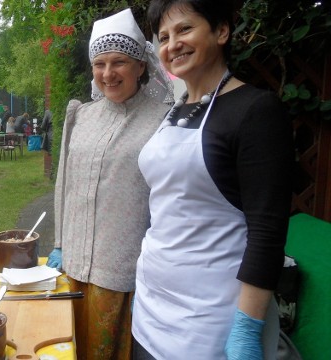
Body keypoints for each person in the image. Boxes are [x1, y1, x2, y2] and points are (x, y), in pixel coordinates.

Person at [131, 1, 295, 359]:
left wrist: (247, 328)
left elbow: (267, 232)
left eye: (184, 29)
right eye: (163, 36)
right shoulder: (174, 110)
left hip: (208, 322)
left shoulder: (255, 111)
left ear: (221, 31)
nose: (172, 44)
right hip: (149, 308)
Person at [45, 8, 173, 360]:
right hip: (72, 266)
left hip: (122, 271)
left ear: (141, 65)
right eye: (99, 64)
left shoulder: (164, 120)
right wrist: (59, 242)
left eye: (119, 62)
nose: (108, 73)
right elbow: (64, 184)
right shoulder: (80, 116)